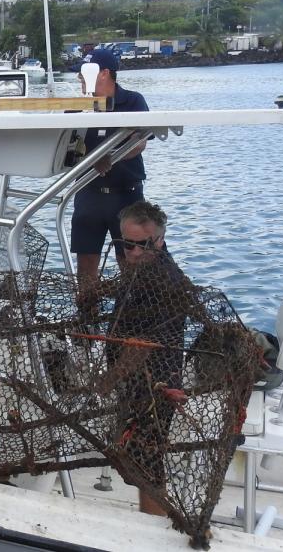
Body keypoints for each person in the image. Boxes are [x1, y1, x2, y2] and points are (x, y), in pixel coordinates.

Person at [110, 201, 186, 517]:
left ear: (160, 240)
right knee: (140, 463)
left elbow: (142, 345)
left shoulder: (165, 282)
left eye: (144, 245)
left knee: (148, 467)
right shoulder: (138, 269)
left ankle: (153, 533)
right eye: (128, 245)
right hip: (135, 381)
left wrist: (106, 380)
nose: (135, 252)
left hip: (154, 387)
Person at [69, 47, 151, 286]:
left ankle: (130, 319)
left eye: (84, 73)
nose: (79, 78)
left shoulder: (133, 100)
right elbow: (65, 146)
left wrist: (111, 156)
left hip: (126, 196)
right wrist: (92, 158)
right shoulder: (75, 106)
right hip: (88, 193)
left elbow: (140, 142)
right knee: (85, 268)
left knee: (132, 262)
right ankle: (87, 319)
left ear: (104, 73)